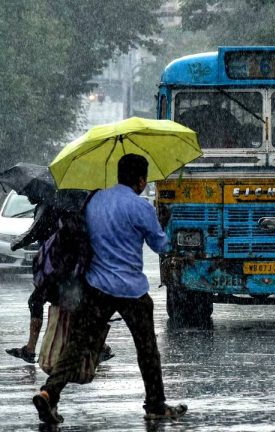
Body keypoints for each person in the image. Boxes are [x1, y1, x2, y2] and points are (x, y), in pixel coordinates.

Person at [32, 154, 186, 424]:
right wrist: (164, 221)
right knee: (147, 349)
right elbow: (161, 246)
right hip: (132, 291)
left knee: (77, 345)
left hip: (97, 288)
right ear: (140, 180)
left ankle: (49, 392)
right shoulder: (140, 207)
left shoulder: (94, 201)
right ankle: (155, 404)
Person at [5, 191, 114, 365]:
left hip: (56, 268)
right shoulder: (79, 207)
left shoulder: (48, 206)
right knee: (75, 305)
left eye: (28, 193)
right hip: (73, 267)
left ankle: (31, 348)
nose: (27, 196)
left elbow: (33, 232)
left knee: (39, 301)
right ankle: (101, 346)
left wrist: (16, 244)